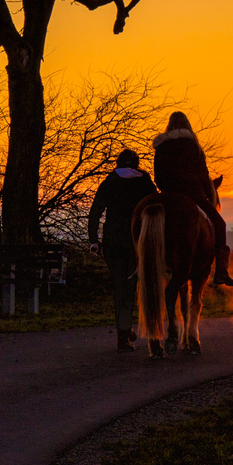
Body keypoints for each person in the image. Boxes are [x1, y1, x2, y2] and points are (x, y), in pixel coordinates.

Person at [151, 111, 233, 286]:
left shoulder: (161, 147)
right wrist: (206, 195)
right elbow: (203, 175)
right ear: (187, 125)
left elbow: (158, 178)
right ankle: (221, 272)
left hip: (167, 195)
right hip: (192, 194)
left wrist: (166, 190)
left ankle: (141, 262)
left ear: (169, 126)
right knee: (220, 224)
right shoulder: (193, 146)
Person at [88, 149, 157, 351]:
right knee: (130, 287)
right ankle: (123, 334)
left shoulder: (110, 181)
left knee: (120, 286)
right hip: (136, 242)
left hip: (112, 242)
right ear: (136, 163)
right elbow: (155, 206)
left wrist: (94, 240)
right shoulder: (144, 181)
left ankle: (124, 330)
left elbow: (95, 212)